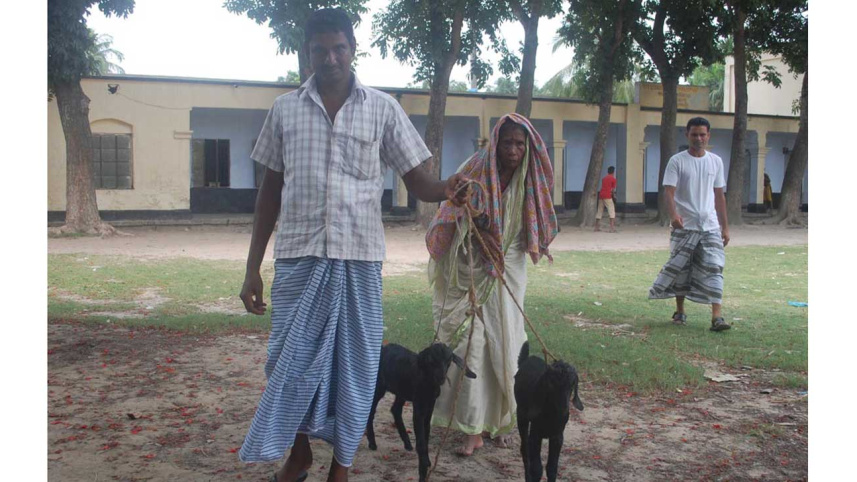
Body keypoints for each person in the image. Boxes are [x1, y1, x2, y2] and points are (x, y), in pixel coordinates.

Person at [236, 9, 467, 482]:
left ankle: (341, 466)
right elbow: (269, 192)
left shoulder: (382, 108)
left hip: (358, 262)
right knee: (287, 362)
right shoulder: (284, 109)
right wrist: (252, 267)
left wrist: (447, 188)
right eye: (320, 49)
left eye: (339, 47)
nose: (330, 58)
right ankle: (298, 454)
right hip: (299, 258)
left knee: (357, 367)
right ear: (307, 53)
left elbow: (416, 178)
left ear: (353, 48)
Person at [426, 114, 558, 456]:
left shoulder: (531, 174)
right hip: (473, 261)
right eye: (507, 142)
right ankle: (472, 428)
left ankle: (504, 418)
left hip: (510, 264)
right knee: (474, 342)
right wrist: (477, 221)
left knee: (508, 340)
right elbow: (453, 210)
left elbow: (533, 217)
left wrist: (502, 250)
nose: (513, 150)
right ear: (495, 142)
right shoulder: (475, 167)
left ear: (527, 146)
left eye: (519, 143)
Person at [649, 117, 731, 332]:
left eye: (703, 134)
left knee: (715, 266)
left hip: (710, 226)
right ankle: (680, 310)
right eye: (694, 134)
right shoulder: (677, 161)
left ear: (708, 135)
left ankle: (717, 317)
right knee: (681, 268)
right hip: (684, 227)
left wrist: (725, 227)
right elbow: (669, 190)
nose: (699, 138)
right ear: (687, 135)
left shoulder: (716, 161)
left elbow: (719, 195)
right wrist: (673, 216)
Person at [594, 166, 618, 232]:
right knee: (611, 211)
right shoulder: (613, 179)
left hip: (601, 195)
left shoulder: (604, 178)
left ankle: (596, 227)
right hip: (608, 196)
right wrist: (614, 196)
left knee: (599, 210)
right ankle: (611, 228)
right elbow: (612, 189)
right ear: (613, 172)